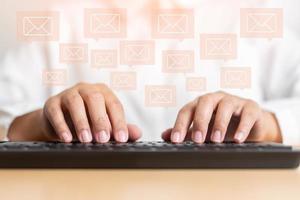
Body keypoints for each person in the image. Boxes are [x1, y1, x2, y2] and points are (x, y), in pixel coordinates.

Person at [0, 0, 300, 145]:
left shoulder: (249, 15)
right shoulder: (62, 20)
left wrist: (268, 126)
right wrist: (39, 126)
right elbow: (5, 119)